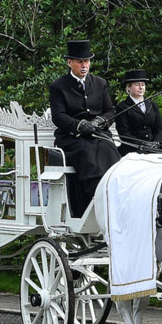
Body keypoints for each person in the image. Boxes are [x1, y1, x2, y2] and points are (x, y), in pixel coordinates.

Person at [48, 39, 118, 217]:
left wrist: (99, 122)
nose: (84, 65)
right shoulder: (58, 86)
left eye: (86, 61)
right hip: (73, 138)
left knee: (110, 150)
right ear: (70, 62)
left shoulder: (100, 83)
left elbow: (110, 110)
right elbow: (58, 116)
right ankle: (95, 198)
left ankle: (116, 192)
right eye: (80, 62)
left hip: (98, 133)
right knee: (88, 153)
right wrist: (79, 125)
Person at [114, 69, 162, 156]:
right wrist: (143, 144)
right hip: (133, 149)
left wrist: (156, 142)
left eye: (143, 85)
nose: (141, 87)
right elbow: (124, 134)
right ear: (129, 87)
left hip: (154, 148)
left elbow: (159, 128)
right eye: (137, 85)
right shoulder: (122, 107)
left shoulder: (152, 105)